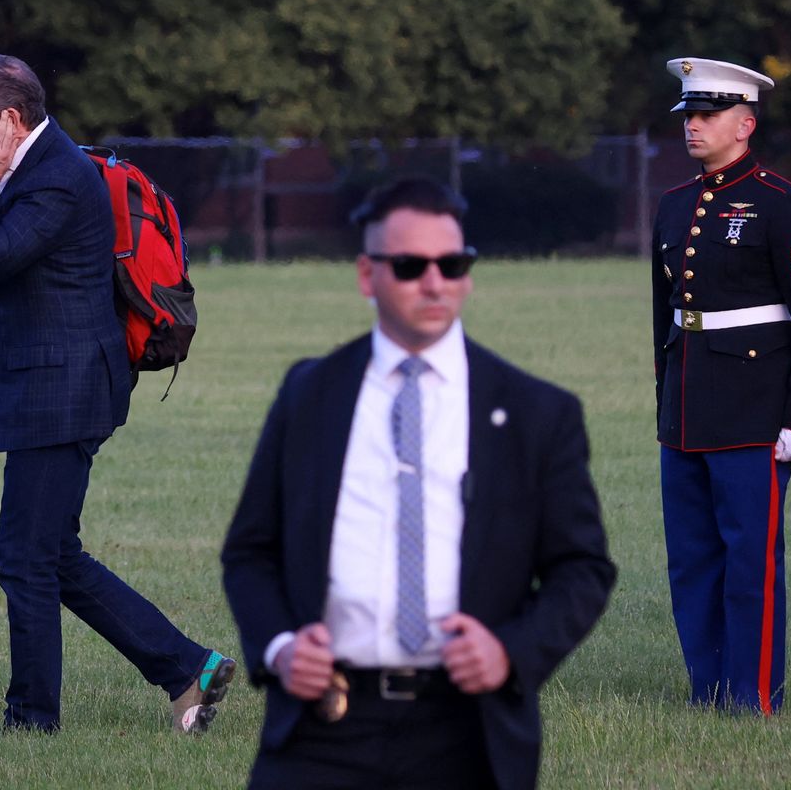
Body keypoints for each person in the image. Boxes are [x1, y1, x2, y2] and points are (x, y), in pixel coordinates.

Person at [221, 177, 616, 789]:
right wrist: (279, 648)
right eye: (409, 266)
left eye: (452, 264)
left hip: (466, 731)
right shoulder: (311, 394)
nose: (434, 282)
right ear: (366, 275)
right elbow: (250, 551)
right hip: (323, 726)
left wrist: (510, 653)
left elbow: (582, 567)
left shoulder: (536, 412)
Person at [0, 53, 233, 734]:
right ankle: (188, 669)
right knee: (52, 555)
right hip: (59, 385)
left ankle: (31, 723)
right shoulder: (45, 165)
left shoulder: (56, 177)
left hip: (64, 392)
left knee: (26, 561)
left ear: (8, 120)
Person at [652, 58, 791, 715]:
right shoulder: (675, 208)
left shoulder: (782, 206)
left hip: (756, 413)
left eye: (707, 115)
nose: (693, 125)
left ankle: (752, 698)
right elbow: (665, 318)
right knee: (691, 564)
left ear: (746, 122)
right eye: (689, 115)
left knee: (749, 568)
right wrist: (664, 401)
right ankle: (707, 694)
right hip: (685, 410)